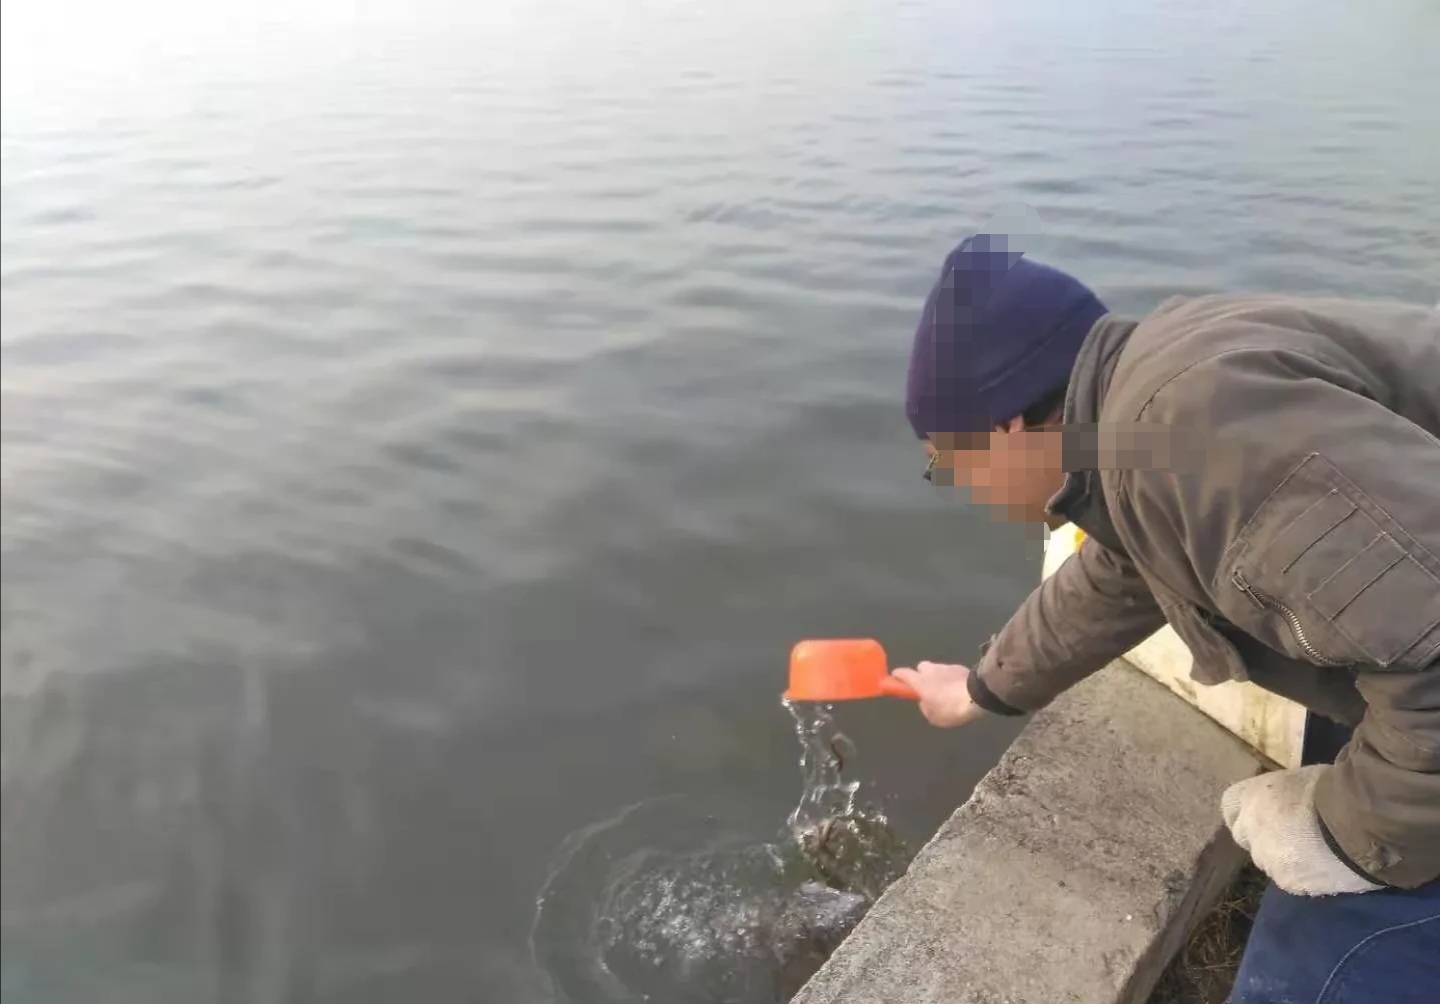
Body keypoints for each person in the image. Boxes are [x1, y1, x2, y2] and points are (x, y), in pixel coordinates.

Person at [891, 232, 1440, 1004]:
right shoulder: (1147, 409)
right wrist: (984, 687)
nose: (960, 489)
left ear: (1007, 428)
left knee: (1307, 973)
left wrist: (1349, 839)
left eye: (946, 463)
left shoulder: (1199, 438)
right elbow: (1124, 570)